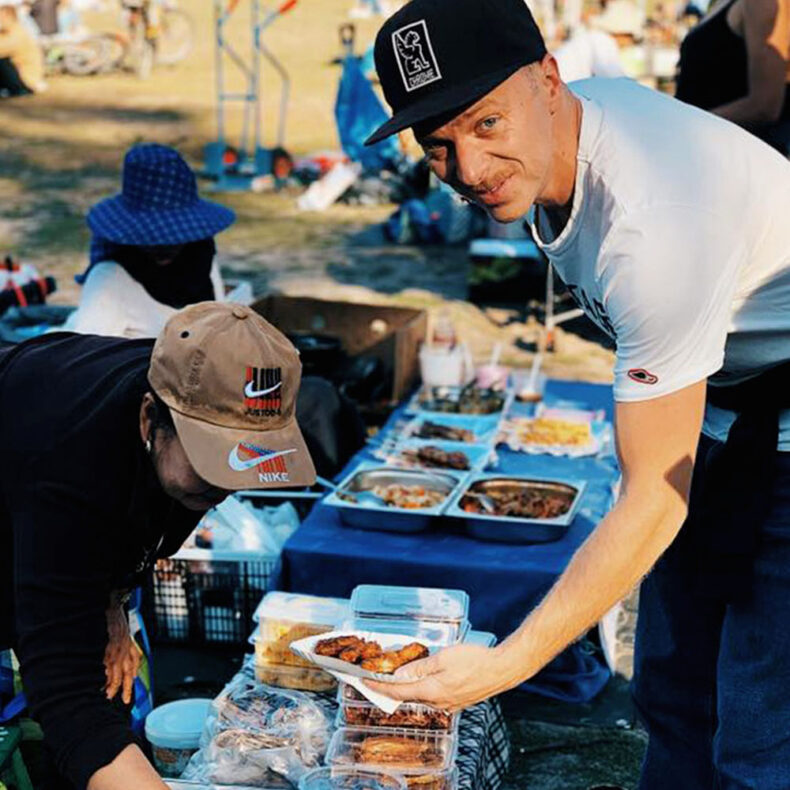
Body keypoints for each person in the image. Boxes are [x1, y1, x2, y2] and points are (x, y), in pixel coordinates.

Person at [363, 0, 790, 787]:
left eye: (487, 123)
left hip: (781, 419)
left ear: (548, 80)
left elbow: (655, 498)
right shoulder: (571, 133)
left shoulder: (653, 223)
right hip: (729, 405)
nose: (471, 172)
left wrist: (508, 662)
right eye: (439, 146)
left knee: (761, 739)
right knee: (670, 692)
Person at [0, 302, 316, 789]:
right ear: (150, 420)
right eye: (211, 461)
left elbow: (147, 522)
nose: (223, 487)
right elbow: (67, 700)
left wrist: (115, 599)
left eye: (244, 461)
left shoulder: (198, 384)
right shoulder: (68, 472)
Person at [62, 143, 234, 339]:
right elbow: (89, 359)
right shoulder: (109, 279)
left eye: (174, 236)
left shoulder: (201, 257)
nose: (162, 246)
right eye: (153, 237)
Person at [675, 0, 790, 152]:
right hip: (703, 148)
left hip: (733, 156)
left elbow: (765, 106)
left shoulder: (762, 3)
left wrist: (684, 124)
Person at [0, 0, 44, 96]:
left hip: (26, 80)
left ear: (9, 17)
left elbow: (2, 50)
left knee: (2, 62)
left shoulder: (18, 34)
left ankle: (18, 90)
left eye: (1, 18)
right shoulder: (8, 32)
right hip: (19, 75)